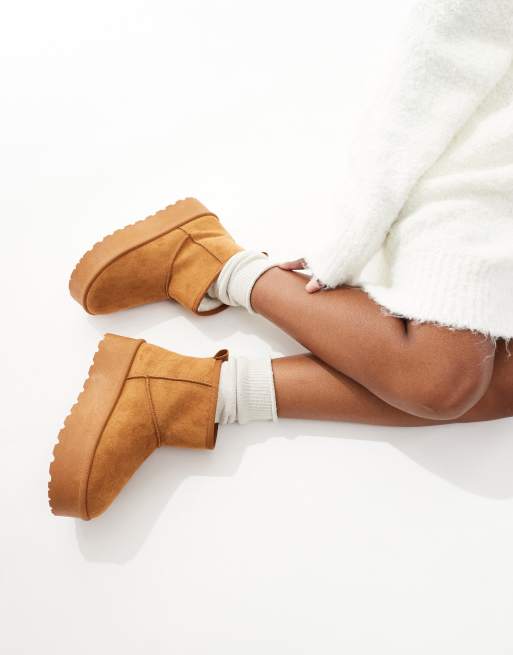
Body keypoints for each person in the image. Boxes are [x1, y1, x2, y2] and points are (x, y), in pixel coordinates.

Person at [49, 0, 513, 520]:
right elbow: (432, 63)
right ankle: (216, 267)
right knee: (442, 381)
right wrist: (358, 232)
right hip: (479, 196)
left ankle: (185, 389)